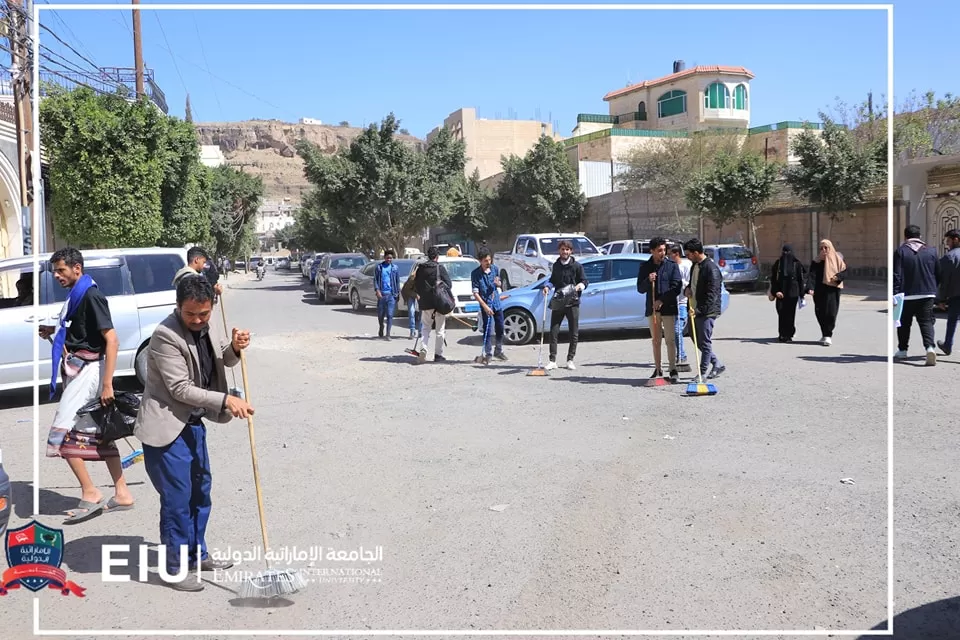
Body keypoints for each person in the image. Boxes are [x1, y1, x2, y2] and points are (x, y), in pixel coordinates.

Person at [133, 276, 254, 591]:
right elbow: (180, 388)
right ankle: (174, 567)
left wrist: (235, 349)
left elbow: (215, 363)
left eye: (204, 314)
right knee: (176, 501)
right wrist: (227, 400)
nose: (199, 320)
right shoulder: (164, 336)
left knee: (201, 493)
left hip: (192, 425)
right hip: (165, 428)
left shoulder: (205, 325)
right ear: (178, 306)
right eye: (191, 315)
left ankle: (197, 554)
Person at [42, 248, 134, 524]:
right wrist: (54, 334)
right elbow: (82, 334)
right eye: (55, 271)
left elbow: (112, 340)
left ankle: (90, 492)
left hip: (89, 373)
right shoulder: (77, 293)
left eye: (61, 270)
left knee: (60, 436)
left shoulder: (91, 295)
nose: (57, 276)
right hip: (79, 370)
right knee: (100, 432)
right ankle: (122, 493)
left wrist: (107, 384)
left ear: (77, 269)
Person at [637, 238, 683, 382]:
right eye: (659, 250)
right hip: (653, 310)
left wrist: (662, 300)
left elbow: (676, 287)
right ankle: (658, 369)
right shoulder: (645, 267)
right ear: (652, 251)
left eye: (664, 250)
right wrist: (647, 280)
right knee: (656, 340)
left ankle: (673, 369)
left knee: (670, 339)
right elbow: (640, 289)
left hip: (668, 308)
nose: (663, 253)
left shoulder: (672, 266)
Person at [893, 225, 940, 364]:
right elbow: (938, 272)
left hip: (906, 294)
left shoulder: (901, 251)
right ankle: (930, 347)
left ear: (905, 237)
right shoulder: (931, 251)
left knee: (904, 323)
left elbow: (897, 274)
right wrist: (933, 288)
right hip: (927, 293)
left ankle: (902, 351)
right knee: (926, 322)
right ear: (920, 236)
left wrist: (894, 293)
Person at [541, 239, 588, 370]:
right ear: (559, 251)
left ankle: (570, 359)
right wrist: (547, 287)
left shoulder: (577, 266)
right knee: (554, 331)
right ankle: (552, 360)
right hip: (559, 301)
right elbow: (553, 281)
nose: (565, 252)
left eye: (567, 249)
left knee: (573, 332)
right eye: (562, 249)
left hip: (573, 302)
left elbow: (585, 280)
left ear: (570, 251)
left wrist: (580, 285)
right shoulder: (556, 266)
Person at [684, 238, 725, 380]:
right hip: (693, 308)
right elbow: (692, 284)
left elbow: (712, 295)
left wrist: (699, 310)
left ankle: (702, 373)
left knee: (704, 341)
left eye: (688, 254)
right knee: (694, 337)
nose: (687, 257)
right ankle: (716, 363)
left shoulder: (711, 268)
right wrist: (687, 290)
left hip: (707, 311)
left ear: (696, 253)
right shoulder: (694, 266)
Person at [414, 247, 453, 363]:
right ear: (437, 257)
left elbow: (416, 285)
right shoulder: (439, 268)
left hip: (425, 304)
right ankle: (438, 355)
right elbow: (449, 284)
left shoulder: (421, 268)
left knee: (425, 328)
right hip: (439, 304)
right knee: (440, 330)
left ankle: (423, 349)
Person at [805, 239, 846, 347]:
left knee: (831, 313)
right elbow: (812, 275)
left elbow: (844, 272)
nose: (823, 250)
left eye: (826, 248)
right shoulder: (816, 261)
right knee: (820, 313)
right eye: (821, 248)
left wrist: (838, 277)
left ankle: (828, 335)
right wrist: (810, 287)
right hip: (819, 291)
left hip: (833, 290)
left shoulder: (837, 259)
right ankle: (824, 333)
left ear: (830, 248)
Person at [471, 250, 507, 365]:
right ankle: (488, 353)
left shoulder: (495, 269)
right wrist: (485, 307)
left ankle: (498, 350)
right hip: (485, 303)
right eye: (486, 261)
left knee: (500, 327)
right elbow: (476, 293)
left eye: (489, 260)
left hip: (496, 302)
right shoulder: (475, 274)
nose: (488, 262)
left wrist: (498, 284)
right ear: (480, 261)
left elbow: (499, 283)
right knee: (487, 329)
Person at [769, 244, 808, 343]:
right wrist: (776, 291)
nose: (785, 254)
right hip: (780, 292)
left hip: (793, 293)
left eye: (787, 252)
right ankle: (782, 334)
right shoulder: (778, 264)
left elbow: (800, 280)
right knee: (781, 312)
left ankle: (789, 334)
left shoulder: (796, 264)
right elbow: (773, 279)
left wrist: (801, 294)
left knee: (790, 314)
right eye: (784, 252)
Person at [937, 229, 960, 356]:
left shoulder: (949, 257)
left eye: (949, 241)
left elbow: (944, 281)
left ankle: (947, 345)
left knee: (952, 321)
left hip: (955, 295)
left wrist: (942, 299)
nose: (947, 244)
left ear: (956, 239)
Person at [669, 246, 691, 370]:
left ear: (676, 254)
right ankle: (680, 355)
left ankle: (681, 355)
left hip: (682, 302)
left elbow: (689, 283)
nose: (668, 256)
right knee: (674, 331)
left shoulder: (686, 266)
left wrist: (679, 282)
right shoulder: (671, 266)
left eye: (670, 254)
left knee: (678, 330)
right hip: (673, 303)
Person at [375, 249, 401, 340]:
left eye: (391, 258)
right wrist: (377, 290)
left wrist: (398, 293)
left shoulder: (395, 268)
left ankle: (388, 334)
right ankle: (381, 326)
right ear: (384, 258)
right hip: (382, 295)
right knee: (381, 315)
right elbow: (375, 280)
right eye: (387, 258)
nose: (389, 259)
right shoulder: (379, 267)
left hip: (392, 294)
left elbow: (397, 281)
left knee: (390, 315)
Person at [401, 259, 423, 340]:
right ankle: (412, 330)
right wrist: (415, 294)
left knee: (422, 313)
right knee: (411, 311)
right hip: (410, 294)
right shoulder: (412, 277)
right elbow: (406, 290)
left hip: (420, 295)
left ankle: (420, 331)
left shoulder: (425, 277)